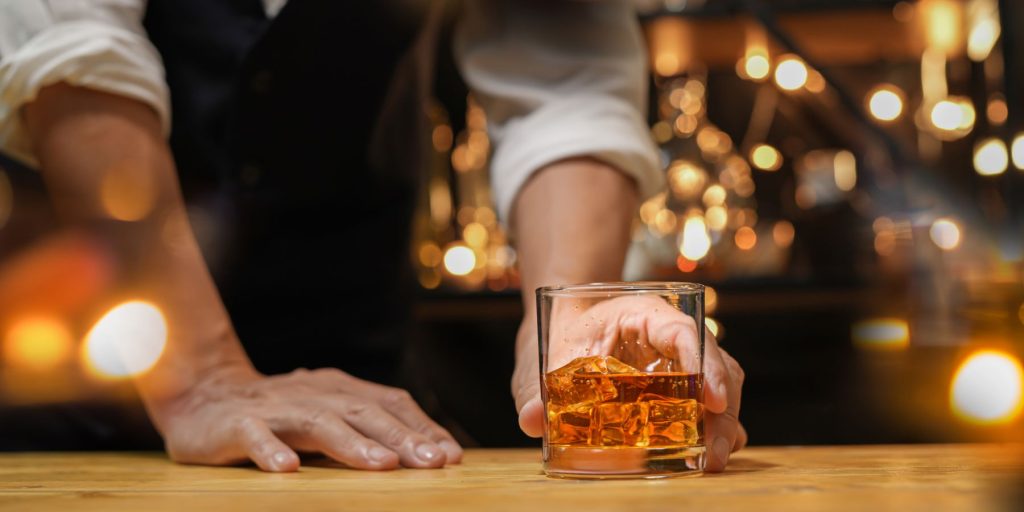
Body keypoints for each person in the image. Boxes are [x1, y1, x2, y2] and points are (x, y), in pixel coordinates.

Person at [0, 0, 745, 472]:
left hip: (358, 391)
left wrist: (568, 318)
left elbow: (563, 77)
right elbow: (69, 55)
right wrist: (200, 378)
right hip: (62, 395)